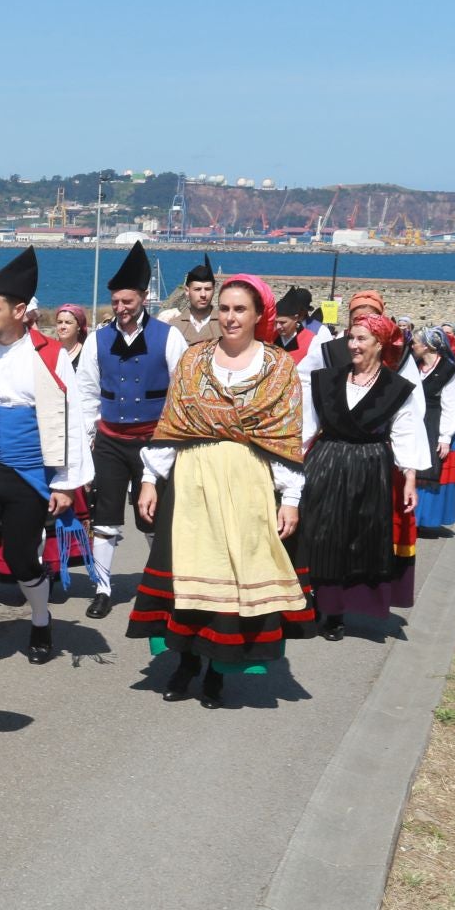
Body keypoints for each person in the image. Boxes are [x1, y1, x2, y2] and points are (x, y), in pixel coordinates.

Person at [127, 275, 314, 706]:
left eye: (240, 310)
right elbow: (172, 424)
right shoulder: (194, 361)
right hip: (192, 479)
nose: (230, 318)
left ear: (258, 315)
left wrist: (290, 499)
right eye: (224, 309)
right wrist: (151, 480)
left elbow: (288, 435)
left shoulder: (278, 367)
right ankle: (186, 662)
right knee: (190, 575)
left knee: (232, 577)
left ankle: (218, 670)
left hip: (249, 481)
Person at [0, 246, 90, 671]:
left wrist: (64, 483)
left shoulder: (50, 354)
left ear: (20, 310)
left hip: (32, 475)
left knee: (25, 559)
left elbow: (70, 419)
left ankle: (41, 621)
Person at [71, 241, 187, 620]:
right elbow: (87, 390)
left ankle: (160, 585)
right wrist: (90, 437)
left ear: (145, 298)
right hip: (109, 440)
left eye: (128, 301)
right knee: (104, 518)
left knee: (151, 516)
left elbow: (181, 393)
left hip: (154, 442)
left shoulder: (169, 337)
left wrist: (169, 442)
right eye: (116, 302)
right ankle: (103, 588)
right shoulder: (97, 340)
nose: (121, 309)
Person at [296, 313, 429, 640]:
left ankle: (335, 612)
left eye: (361, 339)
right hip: (325, 460)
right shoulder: (326, 380)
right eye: (351, 338)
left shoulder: (396, 388)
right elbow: (307, 426)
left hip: (369, 468)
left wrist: (409, 477)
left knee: (353, 539)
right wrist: (291, 463)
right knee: (318, 533)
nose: (353, 345)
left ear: (379, 345)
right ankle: (310, 600)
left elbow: (405, 432)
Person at [411, 325, 455, 532]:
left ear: (426, 346)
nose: (412, 346)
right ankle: (410, 519)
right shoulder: (414, 366)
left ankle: (424, 518)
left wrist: (444, 436)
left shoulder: (447, 370)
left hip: (436, 426)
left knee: (429, 470)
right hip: (415, 426)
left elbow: (453, 405)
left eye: (415, 343)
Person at [160, 254, 221, 346]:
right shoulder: (173, 326)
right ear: (187, 291)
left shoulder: (224, 324)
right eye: (197, 289)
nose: (203, 295)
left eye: (208, 289)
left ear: (214, 290)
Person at [273, 286, 328, 363]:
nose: (278, 326)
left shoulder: (313, 340)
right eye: (275, 322)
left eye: (283, 322)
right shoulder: (271, 337)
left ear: (295, 318)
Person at [51, 302, 88, 380]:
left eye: (68, 323)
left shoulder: (86, 354)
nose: (63, 326)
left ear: (79, 326)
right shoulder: (49, 351)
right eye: (59, 322)